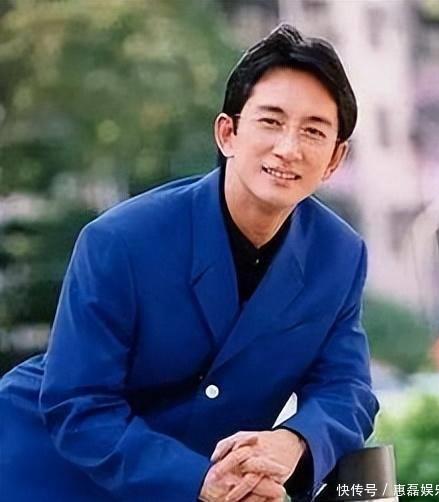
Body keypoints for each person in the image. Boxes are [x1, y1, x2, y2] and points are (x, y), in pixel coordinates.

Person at [0, 24, 379, 501]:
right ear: (227, 133)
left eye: (313, 131)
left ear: (335, 159)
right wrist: (197, 480)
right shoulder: (119, 240)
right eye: (271, 121)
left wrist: (294, 441)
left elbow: (347, 389)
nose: (289, 148)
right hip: (49, 474)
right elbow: (78, 404)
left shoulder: (340, 255)